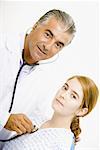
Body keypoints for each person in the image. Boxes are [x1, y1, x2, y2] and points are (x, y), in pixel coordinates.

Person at [0, 9, 76, 141]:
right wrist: (3, 119)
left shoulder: (46, 79)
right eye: (48, 34)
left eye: (58, 45)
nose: (48, 46)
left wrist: (65, 130)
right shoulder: (3, 45)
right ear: (36, 25)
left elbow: (37, 117)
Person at [2, 75, 99, 150]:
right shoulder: (36, 118)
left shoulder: (62, 144)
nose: (63, 95)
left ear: (81, 111)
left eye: (73, 96)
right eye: (65, 88)